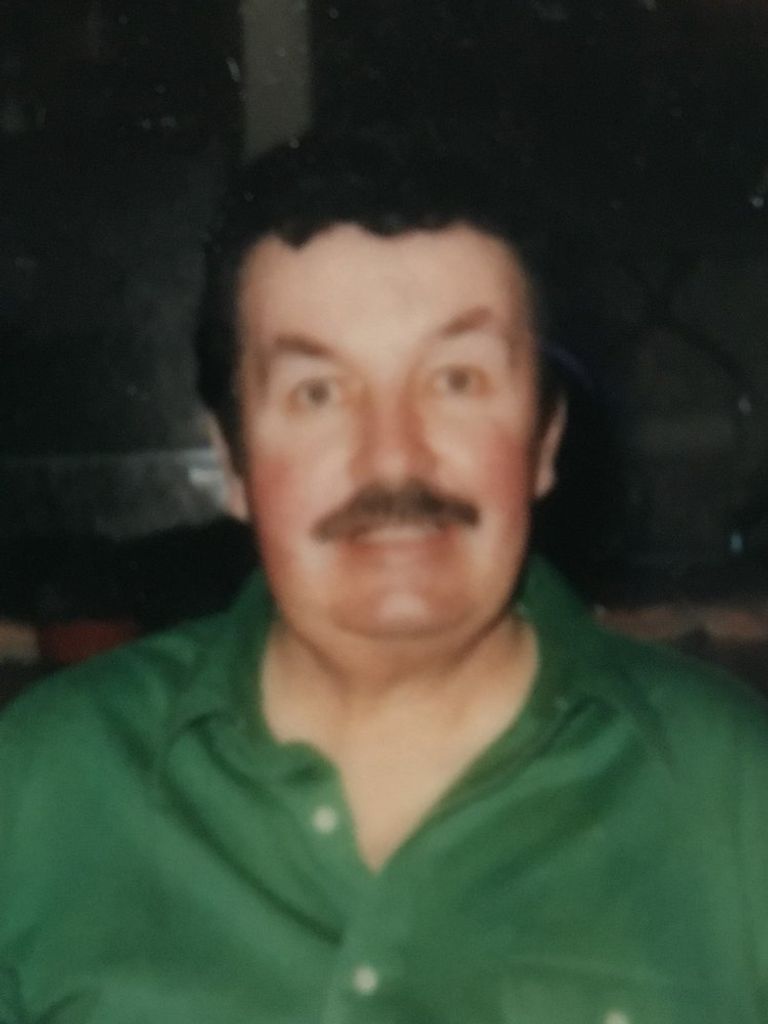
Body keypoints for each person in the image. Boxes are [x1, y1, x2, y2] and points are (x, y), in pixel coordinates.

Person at [1, 131, 767, 1024]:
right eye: (318, 393)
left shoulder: (734, 795)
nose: (394, 458)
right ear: (233, 462)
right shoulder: (41, 784)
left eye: (456, 380)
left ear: (544, 442)